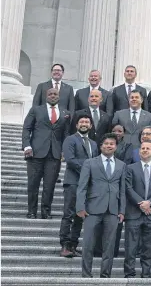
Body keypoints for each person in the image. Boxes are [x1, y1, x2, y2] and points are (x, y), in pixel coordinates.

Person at [76, 133, 126, 278]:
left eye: (112, 144)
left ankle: (105, 275)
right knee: (88, 244)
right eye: (106, 143)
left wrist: (122, 210)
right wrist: (80, 206)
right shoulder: (90, 163)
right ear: (101, 146)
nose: (109, 146)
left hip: (112, 210)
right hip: (92, 209)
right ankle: (86, 275)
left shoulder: (122, 165)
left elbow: (122, 190)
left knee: (109, 246)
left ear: (116, 147)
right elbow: (82, 186)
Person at [22, 87, 72, 219]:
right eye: (50, 94)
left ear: (59, 97)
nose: (53, 96)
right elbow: (27, 128)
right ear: (46, 96)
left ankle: (46, 211)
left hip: (54, 154)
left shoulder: (65, 113)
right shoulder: (36, 110)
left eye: (55, 94)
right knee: (33, 184)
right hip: (35, 153)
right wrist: (27, 146)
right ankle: (31, 211)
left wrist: (64, 150)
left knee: (49, 185)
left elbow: (66, 134)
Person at [124, 141, 151, 278]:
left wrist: (150, 203)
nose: (145, 150)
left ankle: (146, 274)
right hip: (134, 213)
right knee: (131, 246)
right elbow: (128, 188)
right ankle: (129, 273)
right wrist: (141, 204)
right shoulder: (130, 168)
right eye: (143, 148)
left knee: (149, 247)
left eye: (148, 148)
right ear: (139, 151)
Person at [60, 115, 99, 257]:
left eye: (87, 122)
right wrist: (87, 170)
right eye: (81, 121)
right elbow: (70, 160)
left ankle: (73, 245)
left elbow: (95, 162)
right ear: (76, 125)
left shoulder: (94, 144)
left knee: (79, 215)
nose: (84, 124)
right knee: (68, 214)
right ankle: (64, 245)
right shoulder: (70, 139)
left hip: (87, 185)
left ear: (91, 126)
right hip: (73, 182)